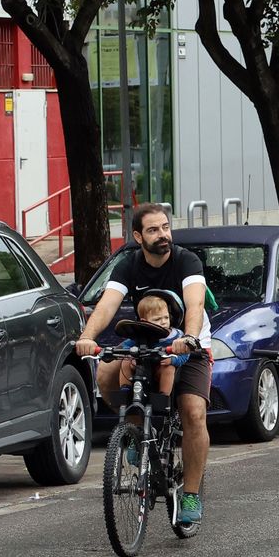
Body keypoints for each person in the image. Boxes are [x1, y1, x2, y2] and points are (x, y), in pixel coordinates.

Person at [76, 203, 212, 525]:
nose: (163, 235)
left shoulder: (186, 261)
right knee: (107, 373)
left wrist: (189, 338)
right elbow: (107, 305)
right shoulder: (128, 265)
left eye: (165, 227)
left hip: (189, 344)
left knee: (193, 410)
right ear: (138, 236)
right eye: (153, 230)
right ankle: (136, 432)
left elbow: (194, 302)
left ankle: (190, 493)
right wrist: (87, 337)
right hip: (147, 342)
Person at [116, 293, 189, 398]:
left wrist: (172, 360)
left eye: (166, 317)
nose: (163, 322)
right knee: (125, 362)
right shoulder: (140, 333)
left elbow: (185, 354)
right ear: (144, 321)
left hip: (161, 368)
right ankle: (125, 390)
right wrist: (130, 355)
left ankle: (163, 397)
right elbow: (127, 345)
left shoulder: (176, 336)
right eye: (157, 319)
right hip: (142, 367)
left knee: (169, 368)